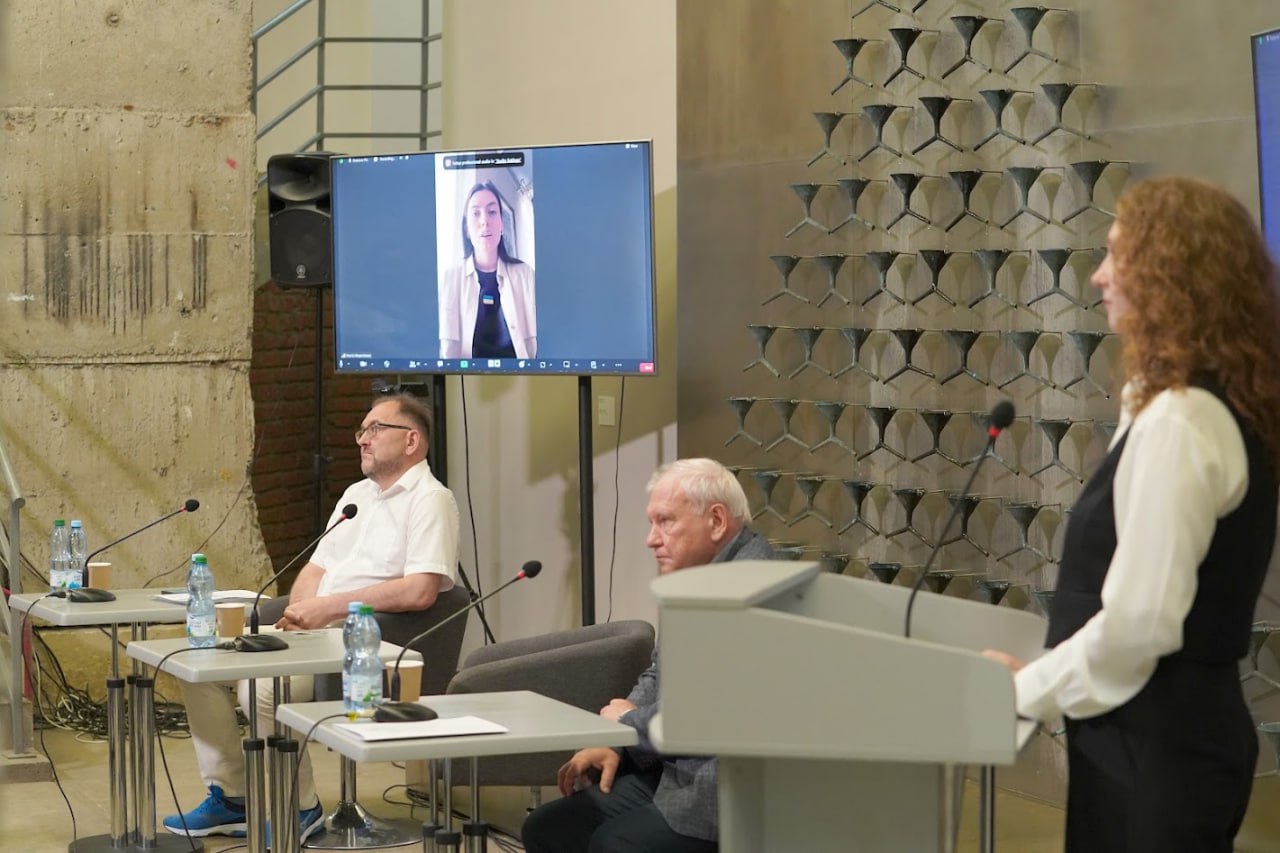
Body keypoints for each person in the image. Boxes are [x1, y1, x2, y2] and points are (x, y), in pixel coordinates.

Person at [983, 176, 1280, 852]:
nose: (1098, 275)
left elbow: (1140, 624)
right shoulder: (1205, 403)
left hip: (1155, 750)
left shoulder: (1181, 419)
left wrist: (1027, 689)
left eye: (1119, 255)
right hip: (1167, 741)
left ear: (1172, 273)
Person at [164, 392, 460, 841]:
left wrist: (327, 609)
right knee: (195, 666)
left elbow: (420, 591)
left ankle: (300, 807)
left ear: (411, 441)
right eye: (361, 430)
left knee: (263, 688)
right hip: (317, 628)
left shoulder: (431, 500)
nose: (362, 439)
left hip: (367, 639)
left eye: (376, 429)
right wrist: (299, 612)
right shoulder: (356, 494)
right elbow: (316, 567)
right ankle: (232, 797)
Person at [521, 458, 775, 853]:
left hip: (724, 786)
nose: (651, 539)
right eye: (651, 523)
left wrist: (626, 724)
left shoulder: (752, 590)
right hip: (671, 770)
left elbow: (707, 718)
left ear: (716, 521)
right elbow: (659, 672)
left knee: (613, 844)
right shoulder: (696, 574)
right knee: (547, 829)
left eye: (665, 521)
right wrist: (616, 741)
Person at [438, 180, 537, 359]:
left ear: (501, 224)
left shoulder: (525, 275)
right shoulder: (451, 278)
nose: (484, 221)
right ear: (467, 229)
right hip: (467, 375)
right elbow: (447, 352)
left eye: (492, 212)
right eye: (476, 213)